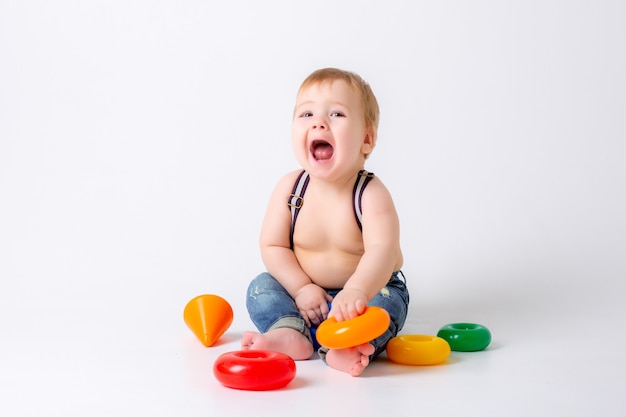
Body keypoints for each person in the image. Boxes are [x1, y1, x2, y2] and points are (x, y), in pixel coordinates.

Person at [241, 68, 409, 376]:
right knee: (261, 287)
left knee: (388, 303)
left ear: (366, 139)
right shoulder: (291, 189)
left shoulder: (370, 194)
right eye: (306, 114)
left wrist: (357, 292)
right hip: (306, 298)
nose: (319, 122)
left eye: (336, 114)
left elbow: (382, 252)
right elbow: (273, 245)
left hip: (362, 298)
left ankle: (343, 345)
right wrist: (301, 287)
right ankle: (290, 331)